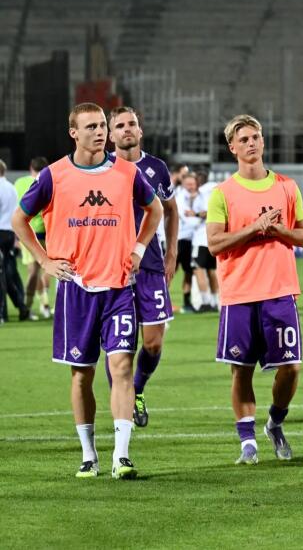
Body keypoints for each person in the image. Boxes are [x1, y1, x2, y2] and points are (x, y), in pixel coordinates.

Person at [11, 102, 163, 479]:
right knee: (82, 374)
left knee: (122, 366)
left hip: (118, 288)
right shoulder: (54, 175)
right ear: (73, 133)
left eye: (101, 126)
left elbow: (155, 209)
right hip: (75, 289)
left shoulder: (127, 172)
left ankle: (122, 456)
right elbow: (19, 219)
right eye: (91, 126)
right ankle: (89, 454)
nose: (99, 132)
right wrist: (44, 261)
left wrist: (138, 249)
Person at [207, 115, 303, 465]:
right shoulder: (222, 193)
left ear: (263, 142)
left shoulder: (287, 187)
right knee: (241, 369)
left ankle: (275, 422)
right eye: (244, 139)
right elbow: (215, 243)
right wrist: (254, 228)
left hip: (280, 291)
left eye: (256, 137)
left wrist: (277, 230)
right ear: (232, 148)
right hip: (239, 293)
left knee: (291, 367)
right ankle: (247, 441)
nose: (251, 143)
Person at [109, 107, 179, 427]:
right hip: (113, 268)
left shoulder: (156, 168)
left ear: (140, 131)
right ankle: (122, 409)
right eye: (120, 125)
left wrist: (172, 252)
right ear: (111, 134)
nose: (127, 129)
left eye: (132, 124)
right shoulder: (102, 168)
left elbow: (171, 210)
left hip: (150, 265)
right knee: (119, 347)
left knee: (153, 341)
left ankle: (136, 388)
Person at [13, 157, 50, 319]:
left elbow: (17, 209)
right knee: (46, 269)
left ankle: (32, 306)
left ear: (30, 167)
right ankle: (40, 305)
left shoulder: (19, 183)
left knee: (34, 271)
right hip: (45, 233)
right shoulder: (48, 181)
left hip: (26, 232)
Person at [0, 159, 27, 322]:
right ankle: (21, 305)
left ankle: (2, 313)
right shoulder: (11, 188)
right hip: (10, 234)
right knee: (10, 272)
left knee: (2, 274)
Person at [191, 169, 219, 312]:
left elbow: (207, 213)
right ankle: (215, 301)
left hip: (201, 238)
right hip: (213, 237)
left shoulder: (201, 193)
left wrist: (195, 214)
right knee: (212, 270)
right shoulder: (217, 189)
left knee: (198, 269)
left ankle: (206, 302)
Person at [176, 173, 202, 312]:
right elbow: (186, 217)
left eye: (193, 184)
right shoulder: (179, 197)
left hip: (192, 240)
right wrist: (200, 219)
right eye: (188, 184)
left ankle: (187, 302)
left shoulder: (200, 197)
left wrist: (197, 216)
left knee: (188, 272)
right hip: (178, 239)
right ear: (183, 184)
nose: (191, 186)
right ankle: (162, 301)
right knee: (170, 271)